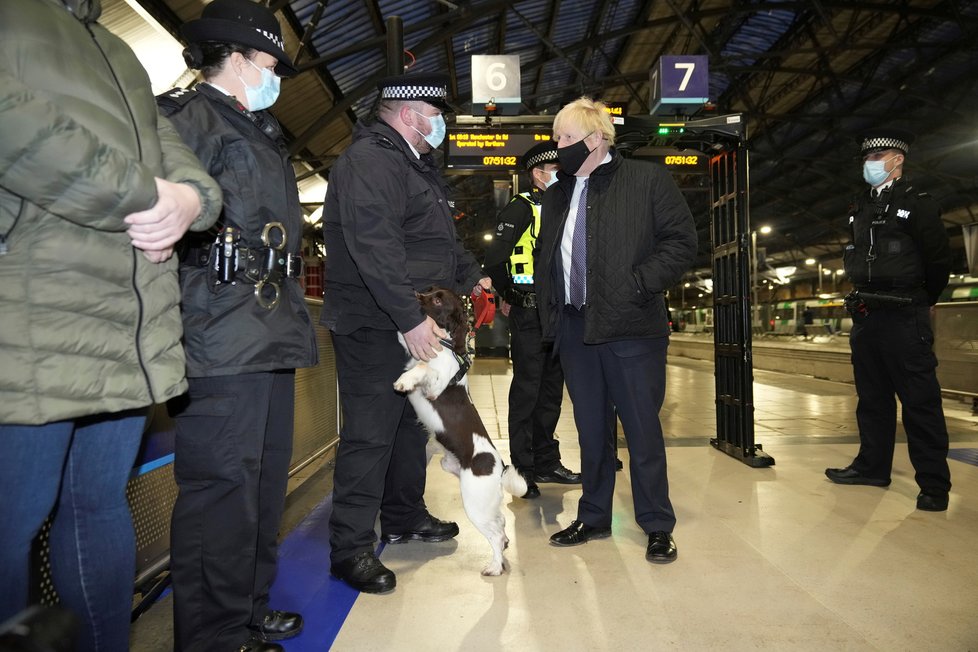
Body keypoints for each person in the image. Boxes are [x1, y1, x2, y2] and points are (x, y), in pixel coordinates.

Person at [0, 0, 222, 649]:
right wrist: (143, 196)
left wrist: (190, 199)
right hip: (32, 306)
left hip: (125, 317)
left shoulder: (115, 49)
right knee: (11, 520)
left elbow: (170, 148)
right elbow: (18, 123)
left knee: (96, 508)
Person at [155, 1, 320, 651]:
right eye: (269, 62)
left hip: (269, 328)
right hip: (219, 331)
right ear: (235, 56)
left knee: (259, 487)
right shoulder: (184, 118)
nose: (276, 73)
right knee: (220, 496)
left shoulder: (259, 130)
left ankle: (247, 611)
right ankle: (213, 635)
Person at [322, 71, 490, 594]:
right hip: (376, 323)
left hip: (405, 318)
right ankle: (349, 549)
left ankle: (402, 515)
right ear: (409, 112)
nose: (440, 123)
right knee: (369, 436)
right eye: (436, 114)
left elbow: (435, 244)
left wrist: (473, 275)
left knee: (405, 430)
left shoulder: (414, 167)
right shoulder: (371, 161)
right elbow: (376, 247)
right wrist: (410, 319)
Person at [535, 97, 697, 563]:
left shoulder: (647, 181)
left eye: (564, 138)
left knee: (642, 430)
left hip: (632, 327)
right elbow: (554, 256)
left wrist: (638, 284)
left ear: (593, 140)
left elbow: (681, 242)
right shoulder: (558, 193)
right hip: (574, 327)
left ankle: (657, 524)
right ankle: (594, 515)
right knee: (590, 430)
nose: (557, 146)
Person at [825, 127, 952, 512]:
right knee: (872, 399)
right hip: (867, 314)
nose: (869, 165)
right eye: (866, 159)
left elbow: (939, 261)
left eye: (877, 158)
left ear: (897, 160)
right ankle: (872, 468)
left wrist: (921, 300)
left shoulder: (919, 203)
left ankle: (933, 484)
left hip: (904, 312)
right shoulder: (860, 206)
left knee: (920, 402)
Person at [483, 141, 581, 499]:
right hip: (528, 311)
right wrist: (510, 296)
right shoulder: (521, 208)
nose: (561, 174)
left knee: (552, 392)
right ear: (537, 174)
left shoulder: (566, 206)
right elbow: (494, 259)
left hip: (559, 312)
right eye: (554, 169)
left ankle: (546, 461)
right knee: (528, 389)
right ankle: (522, 467)